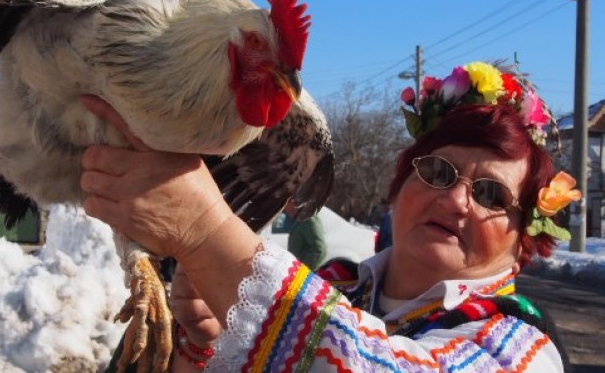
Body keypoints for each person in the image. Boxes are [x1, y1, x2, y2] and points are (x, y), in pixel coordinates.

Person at [80, 61, 578, 371]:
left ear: (524, 241)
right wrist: (203, 345)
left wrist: (205, 229)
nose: (455, 201)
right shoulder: (333, 287)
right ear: (400, 185)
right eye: (438, 171)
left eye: (491, 194)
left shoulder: (520, 348)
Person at [281, 199, 327, 270]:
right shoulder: (300, 219)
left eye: (285, 206)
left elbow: (320, 250)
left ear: (293, 203)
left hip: (302, 273)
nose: (285, 210)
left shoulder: (309, 219)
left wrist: (301, 268)